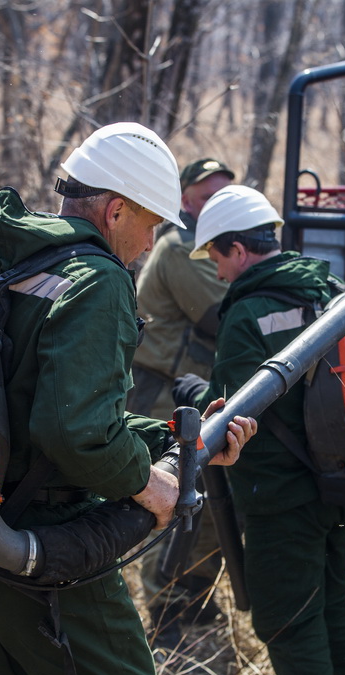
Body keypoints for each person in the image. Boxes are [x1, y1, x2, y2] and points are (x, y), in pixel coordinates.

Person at [0, 122, 257, 675]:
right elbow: (76, 435)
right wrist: (150, 483)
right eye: (151, 223)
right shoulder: (98, 280)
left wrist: (171, 440)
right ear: (114, 211)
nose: (151, 243)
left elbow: (38, 408)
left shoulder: (11, 262)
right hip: (41, 546)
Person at [174, 185, 345, 675]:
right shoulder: (330, 289)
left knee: (289, 622)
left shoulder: (245, 315)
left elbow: (230, 417)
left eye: (216, 257)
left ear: (239, 250)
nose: (216, 272)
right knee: (333, 604)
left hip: (281, 501)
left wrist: (195, 393)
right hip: (340, 483)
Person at [127, 157, 235, 648]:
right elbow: (217, 315)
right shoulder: (176, 247)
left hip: (196, 389)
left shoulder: (210, 247)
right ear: (186, 200)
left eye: (224, 195)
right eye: (207, 195)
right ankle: (164, 607)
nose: (217, 204)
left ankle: (192, 590)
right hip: (163, 391)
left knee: (208, 502)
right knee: (172, 497)